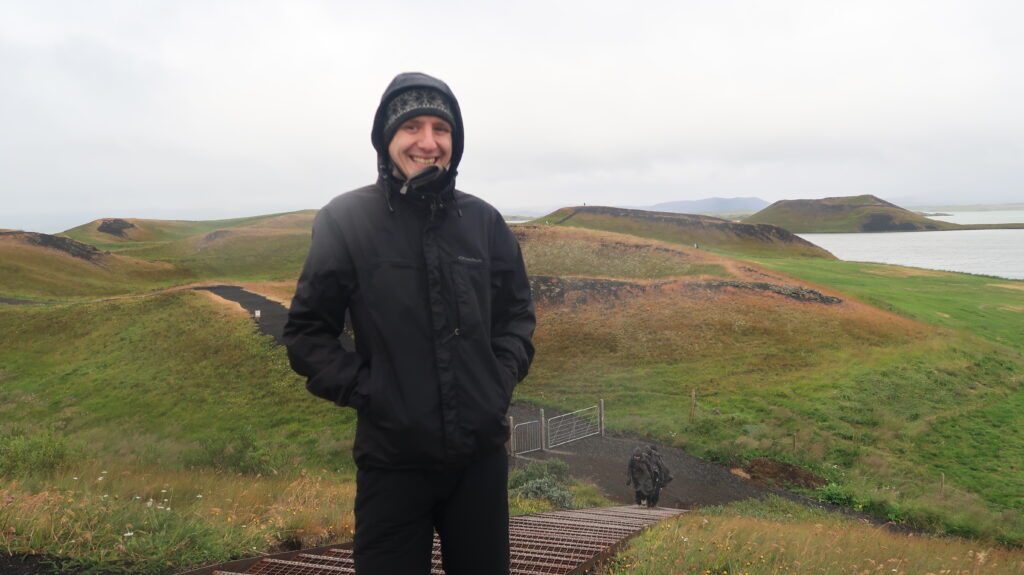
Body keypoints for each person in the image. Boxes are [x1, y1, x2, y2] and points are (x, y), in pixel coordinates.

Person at [283, 72, 536, 575]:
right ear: (386, 138)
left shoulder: (484, 222)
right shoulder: (345, 220)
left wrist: (497, 382)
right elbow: (306, 334)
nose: (428, 142)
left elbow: (516, 318)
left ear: (455, 141)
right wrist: (375, 393)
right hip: (391, 462)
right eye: (412, 127)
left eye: (441, 128)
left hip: (479, 461)